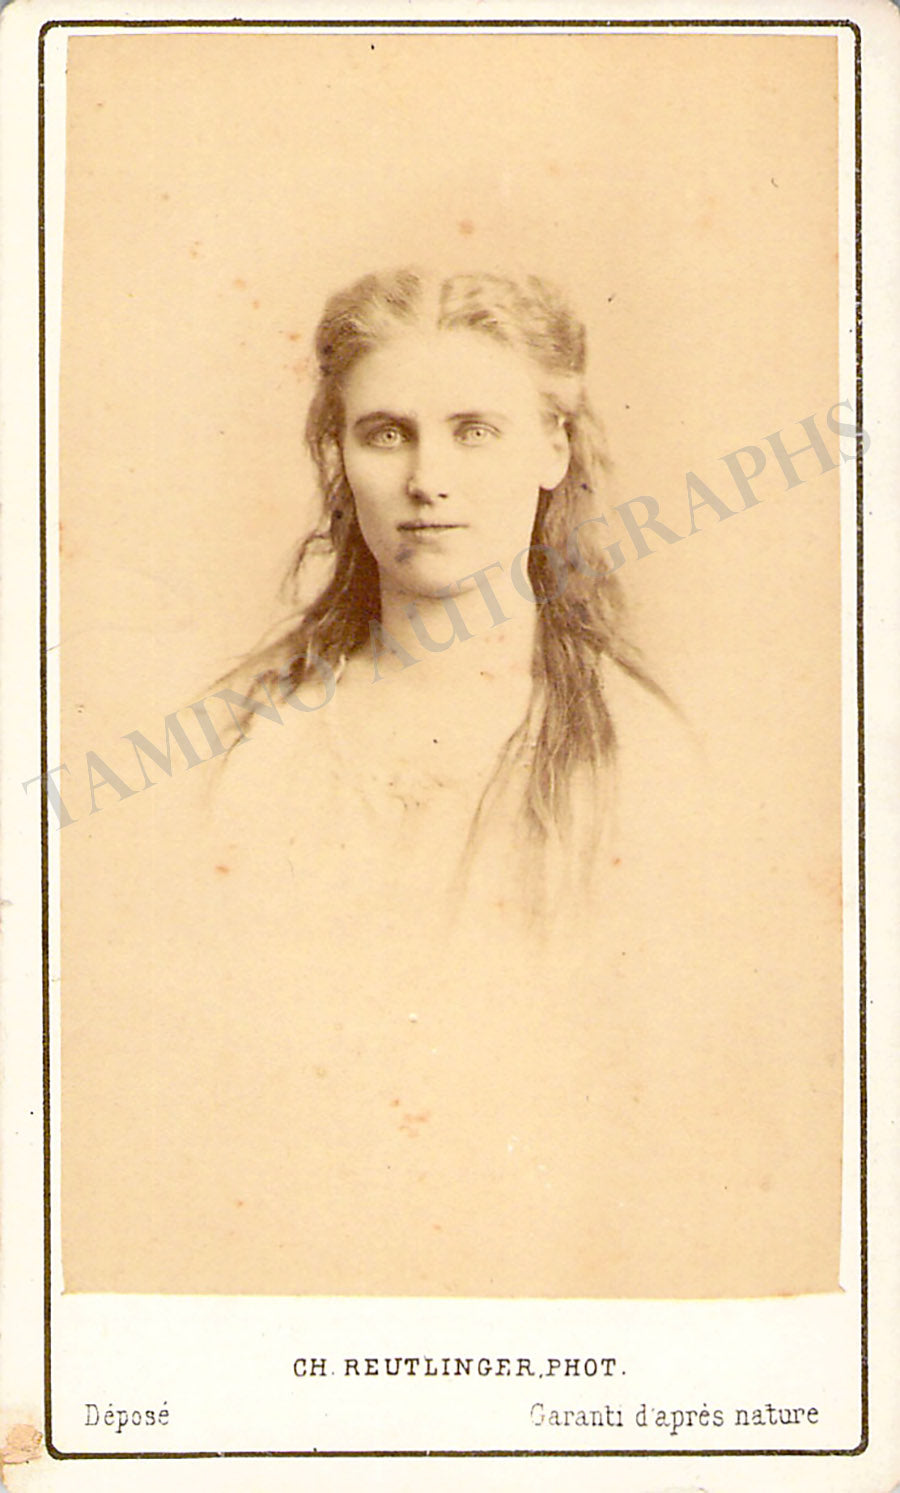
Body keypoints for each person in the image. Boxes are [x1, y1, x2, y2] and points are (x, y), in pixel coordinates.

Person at [212, 267, 668, 932]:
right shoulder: (254, 738)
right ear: (340, 455)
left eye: (475, 432)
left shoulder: (641, 749)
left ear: (553, 450)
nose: (427, 480)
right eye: (387, 435)